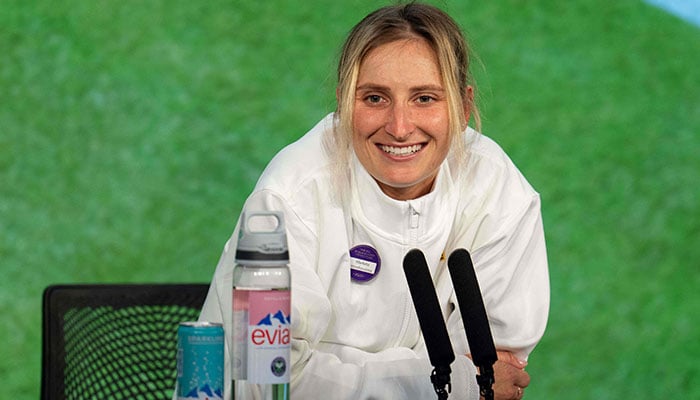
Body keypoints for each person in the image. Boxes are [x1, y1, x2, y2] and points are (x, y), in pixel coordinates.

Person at [199, 3, 549, 399]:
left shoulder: (498, 193)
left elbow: (494, 369)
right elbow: (264, 379)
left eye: (425, 98)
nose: (400, 128)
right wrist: (433, 384)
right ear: (345, 104)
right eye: (375, 98)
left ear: (463, 107)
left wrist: (332, 370)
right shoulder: (285, 199)